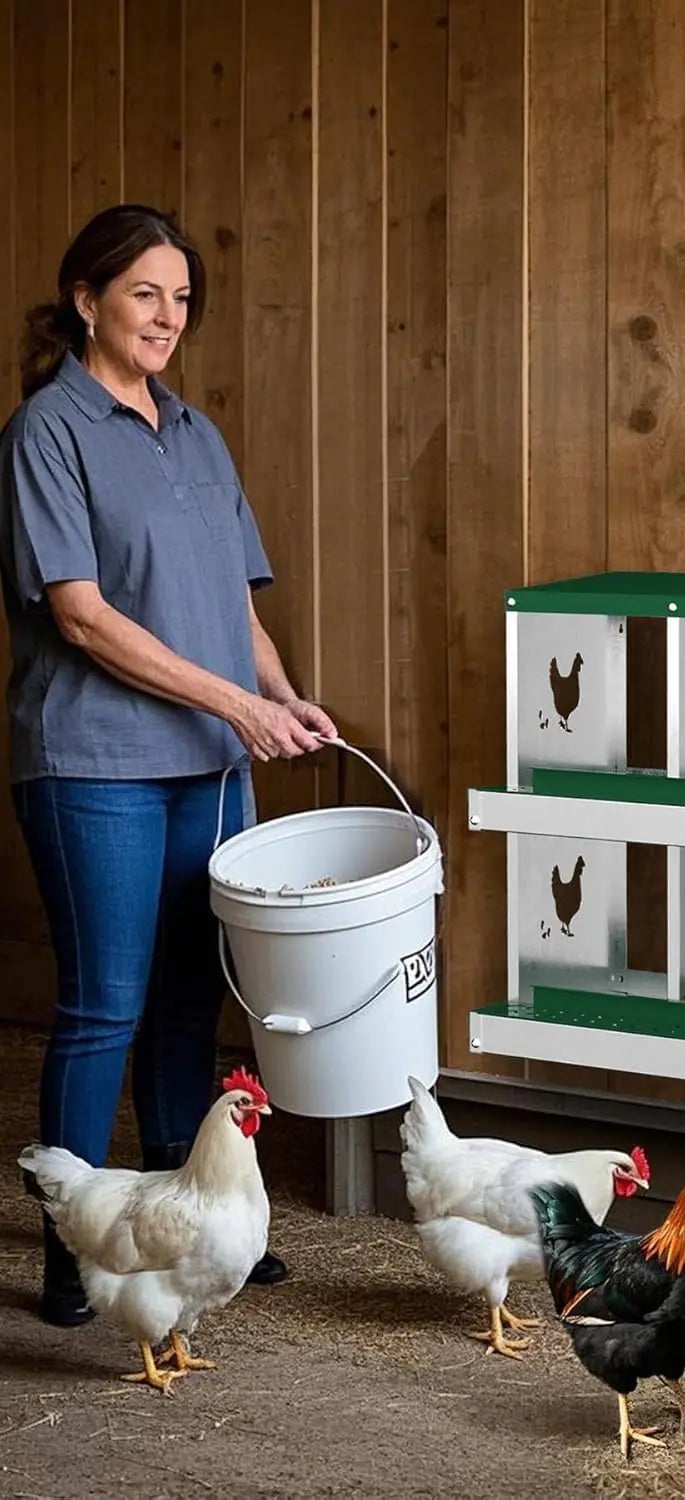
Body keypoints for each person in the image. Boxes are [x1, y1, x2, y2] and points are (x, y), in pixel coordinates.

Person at [0, 203, 336, 1326]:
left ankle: (184, 1236)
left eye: (181, 297)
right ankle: (72, 1250)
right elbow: (81, 615)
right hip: (94, 762)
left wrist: (281, 696)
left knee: (192, 1002)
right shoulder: (47, 432)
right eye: (144, 293)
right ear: (85, 300)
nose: (166, 316)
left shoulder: (195, 433)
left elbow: (235, 604)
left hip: (208, 763)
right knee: (107, 1005)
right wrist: (240, 705)